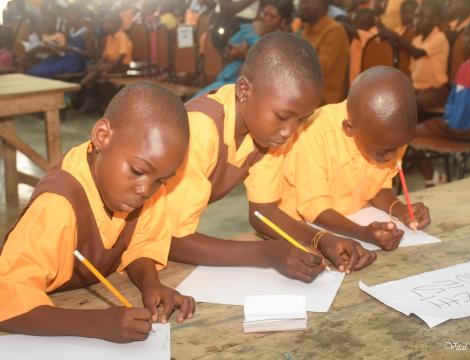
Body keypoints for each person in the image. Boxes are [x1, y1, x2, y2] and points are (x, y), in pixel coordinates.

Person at [167, 32, 376, 283]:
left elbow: (262, 212)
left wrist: (322, 239)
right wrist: (267, 253)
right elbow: (172, 240)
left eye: (301, 119)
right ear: (244, 90)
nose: (289, 131)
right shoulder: (201, 130)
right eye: (282, 116)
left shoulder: (266, 135)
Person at [0, 83, 195, 343]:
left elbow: (140, 245)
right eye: (137, 171)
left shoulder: (139, 187)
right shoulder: (57, 208)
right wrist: (98, 323)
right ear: (102, 136)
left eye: (161, 180)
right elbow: (8, 301)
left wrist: (151, 284)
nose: (145, 190)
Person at [278, 66, 431, 251]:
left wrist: (400, 209)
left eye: (399, 147)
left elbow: (378, 187)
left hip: (353, 218)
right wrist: (363, 233)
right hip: (297, 232)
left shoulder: (390, 137)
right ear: (349, 129)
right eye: (384, 151)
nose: (392, 156)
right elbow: (314, 208)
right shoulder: (314, 133)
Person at [415, 17, 470, 185]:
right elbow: (452, 99)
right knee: (407, 133)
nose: (463, 41)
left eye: (468, 37)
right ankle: (432, 178)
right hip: (449, 127)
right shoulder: (465, 66)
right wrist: (449, 118)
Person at [196, 0, 293, 96]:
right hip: (229, 79)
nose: (266, 19)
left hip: (254, 90)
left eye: (272, 16)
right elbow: (228, 52)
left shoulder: (287, 41)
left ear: (283, 20)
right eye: (265, 14)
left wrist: (246, 54)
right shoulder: (250, 30)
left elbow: (277, 69)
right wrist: (232, 52)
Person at [381, 0, 450, 114]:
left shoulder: (439, 37)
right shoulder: (416, 40)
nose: (417, 20)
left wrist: (395, 36)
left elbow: (417, 53)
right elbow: (413, 69)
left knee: (410, 105)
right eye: (417, 16)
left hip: (435, 90)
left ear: (435, 20)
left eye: (422, 17)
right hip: (416, 89)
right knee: (392, 99)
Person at [298, 0, 349, 104]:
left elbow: (315, 72)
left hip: (324, 101)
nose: (302, 4)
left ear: (323, 3)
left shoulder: (334, 31)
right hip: (303, 92)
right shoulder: (306, 30)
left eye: (307, 1)